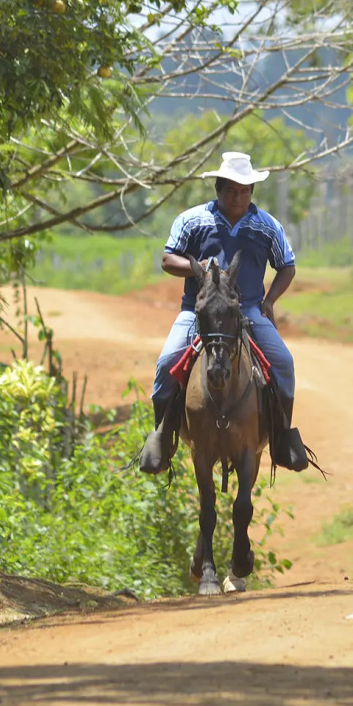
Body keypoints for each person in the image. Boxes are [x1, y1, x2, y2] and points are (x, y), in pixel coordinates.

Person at [139, 151, 308, 474]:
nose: (238, 196)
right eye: (231, 190)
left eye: (244, 190)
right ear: (218, 190)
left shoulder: (267, 226)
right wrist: (195, 267)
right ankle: (161, 438)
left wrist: (269, 301)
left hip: (246, 312)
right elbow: (167, 259)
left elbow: (287, 266)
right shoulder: (192, 221)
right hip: (198, 312)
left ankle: (282, 438)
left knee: (284, 363)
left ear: (252, 192)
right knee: (166, 364)